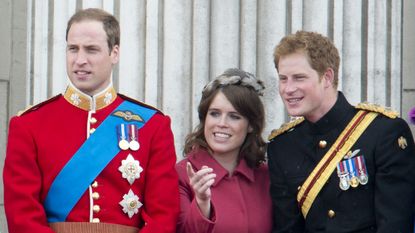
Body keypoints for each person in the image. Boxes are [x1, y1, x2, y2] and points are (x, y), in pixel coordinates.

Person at [3, 8, 179, 233]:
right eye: (73, 49)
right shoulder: (29, 125)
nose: (80, 60)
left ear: (114, 53)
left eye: (91, 50)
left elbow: (163, 216)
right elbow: (22, 215)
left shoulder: (153, 125)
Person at [267, 30, 415, 232]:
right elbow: (288, 228)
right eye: (283, 79)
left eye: (299, 78)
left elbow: (395, 224)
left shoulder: (383, 132)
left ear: (327, 77)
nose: (288, 89)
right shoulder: (282, 145)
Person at [175, 68, 272, 233]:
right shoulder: (182, 174)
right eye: (214, 114)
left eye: (234, 116)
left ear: (250, 125)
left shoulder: (265, 176)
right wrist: (201, 202)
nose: (221, 123)